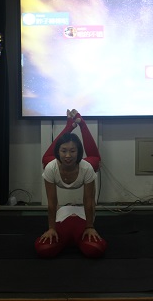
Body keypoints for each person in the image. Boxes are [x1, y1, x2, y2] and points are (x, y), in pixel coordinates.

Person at [35, 109, 107, 258]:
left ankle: (82, 123)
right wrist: (51, 228)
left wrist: (90, 226)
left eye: (73, 151)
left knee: (96, 160)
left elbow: (89, 200)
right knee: (45, 160)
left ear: (78, 152)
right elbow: (52, 202)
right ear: (58, 152)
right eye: (63, 151)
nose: (68, 155)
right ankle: (70, 125)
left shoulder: (86, 168)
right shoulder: (51, 168)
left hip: (82, 167)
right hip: (56, 167)